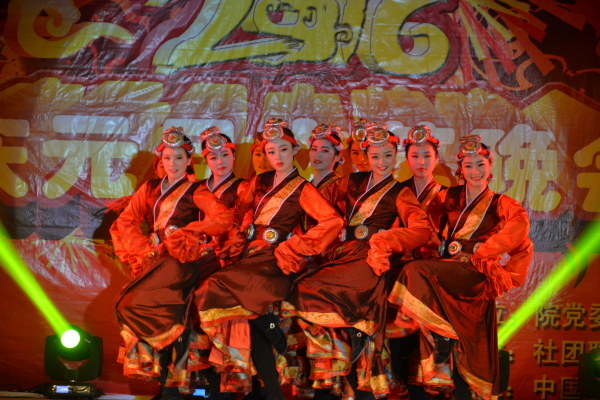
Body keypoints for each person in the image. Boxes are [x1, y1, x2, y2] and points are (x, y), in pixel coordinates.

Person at [195, 118, 344, 400]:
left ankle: (270, 327)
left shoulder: (303, 187)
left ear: (295, 151)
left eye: (283, 150)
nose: (277, 157)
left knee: (215, 285)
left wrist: (295, 247)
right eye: (271, 151)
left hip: (274, 261)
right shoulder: (260, 181)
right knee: (251, 323)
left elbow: (332, 221)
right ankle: (273, 370)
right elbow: (240, 213)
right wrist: (238, 238)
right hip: (249, 255)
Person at [283, 122, 433, 399]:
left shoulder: (400, 192)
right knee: (302, 288)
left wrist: (387, 240)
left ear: (396, 156)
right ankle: (336, 350)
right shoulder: (352, 181)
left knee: (324, 294)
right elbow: (313, 199)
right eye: (375, 156)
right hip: (342, 254)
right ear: (366, 156)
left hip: (370, 258)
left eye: (388, 155)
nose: (381, 162)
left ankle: (353, 345)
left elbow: (422, 230)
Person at [387, 134, 533, 400]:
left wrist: (484, 251)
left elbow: (521, 229)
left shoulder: (500, 203)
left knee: (417, 271)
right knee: (418, 274)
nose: (475, 171)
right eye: (468, 165)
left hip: (473, 275)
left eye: (480, 164)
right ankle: (439, 343)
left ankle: (407, 320)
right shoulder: (448, 196)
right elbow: (428, 227)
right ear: (460, 169)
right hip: (446, 271)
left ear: (490, 166)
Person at [110, 127, 234, 400]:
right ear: (161, 160)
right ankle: (169, 388)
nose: (173, 163)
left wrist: (190, 232)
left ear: (189, 160)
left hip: (179, 264)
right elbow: (126, 221)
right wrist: (143, 248)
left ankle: (177, 388)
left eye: (179, 158)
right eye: (167, 158)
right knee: (152, 314)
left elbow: (224, 218)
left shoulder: (196, 190)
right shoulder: (150, 188)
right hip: (155, 262)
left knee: (131, 303)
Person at [385, 125, 447, 400]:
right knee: (398, 344)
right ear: (406, 159)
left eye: (427, 156)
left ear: (437, 158)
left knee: (430, 340)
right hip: (398, 275)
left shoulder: (448, 196)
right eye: (414, 156)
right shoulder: (395, 193)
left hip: (432, 276)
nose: (421, 162)